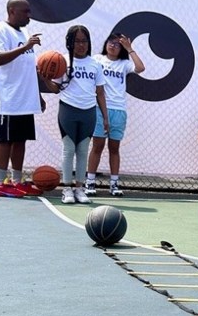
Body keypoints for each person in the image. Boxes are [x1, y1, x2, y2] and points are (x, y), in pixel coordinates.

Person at [0, 0, 45, 198]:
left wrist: (37, 95)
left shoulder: (25, 32)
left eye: (29, 11)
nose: (29, 15)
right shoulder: (0, 30)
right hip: (8, 99)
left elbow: (28, 68)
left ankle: (16, 182)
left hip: (25, 99)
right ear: (12, 11)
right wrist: (25, 47)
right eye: (25, 11)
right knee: (5, 141)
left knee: (20, 141)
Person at [45, 25, 109, 205]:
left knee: (82, 151)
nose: (81, 45)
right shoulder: (61, 61)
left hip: (89, 112)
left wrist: (105, 117)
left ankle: (80, 188)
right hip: (68, 110)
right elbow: (56, 89)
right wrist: (45, 79)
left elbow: (100, 93)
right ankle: (67, 189)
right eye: (77, 41)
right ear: (69, 43)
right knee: (68, 150)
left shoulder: (95, 64)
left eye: (84, 41)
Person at [85, 33, 145, 197]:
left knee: (114, 148)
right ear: (106, 44)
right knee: (97, 146)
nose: (113, 46)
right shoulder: (97, 59)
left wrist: (130, 49)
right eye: (111, 42)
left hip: (119, 110)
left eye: (117, 44)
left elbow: (140, 68)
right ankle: (90, 182)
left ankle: (114, 184)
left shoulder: (124, 63)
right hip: (99, 108)